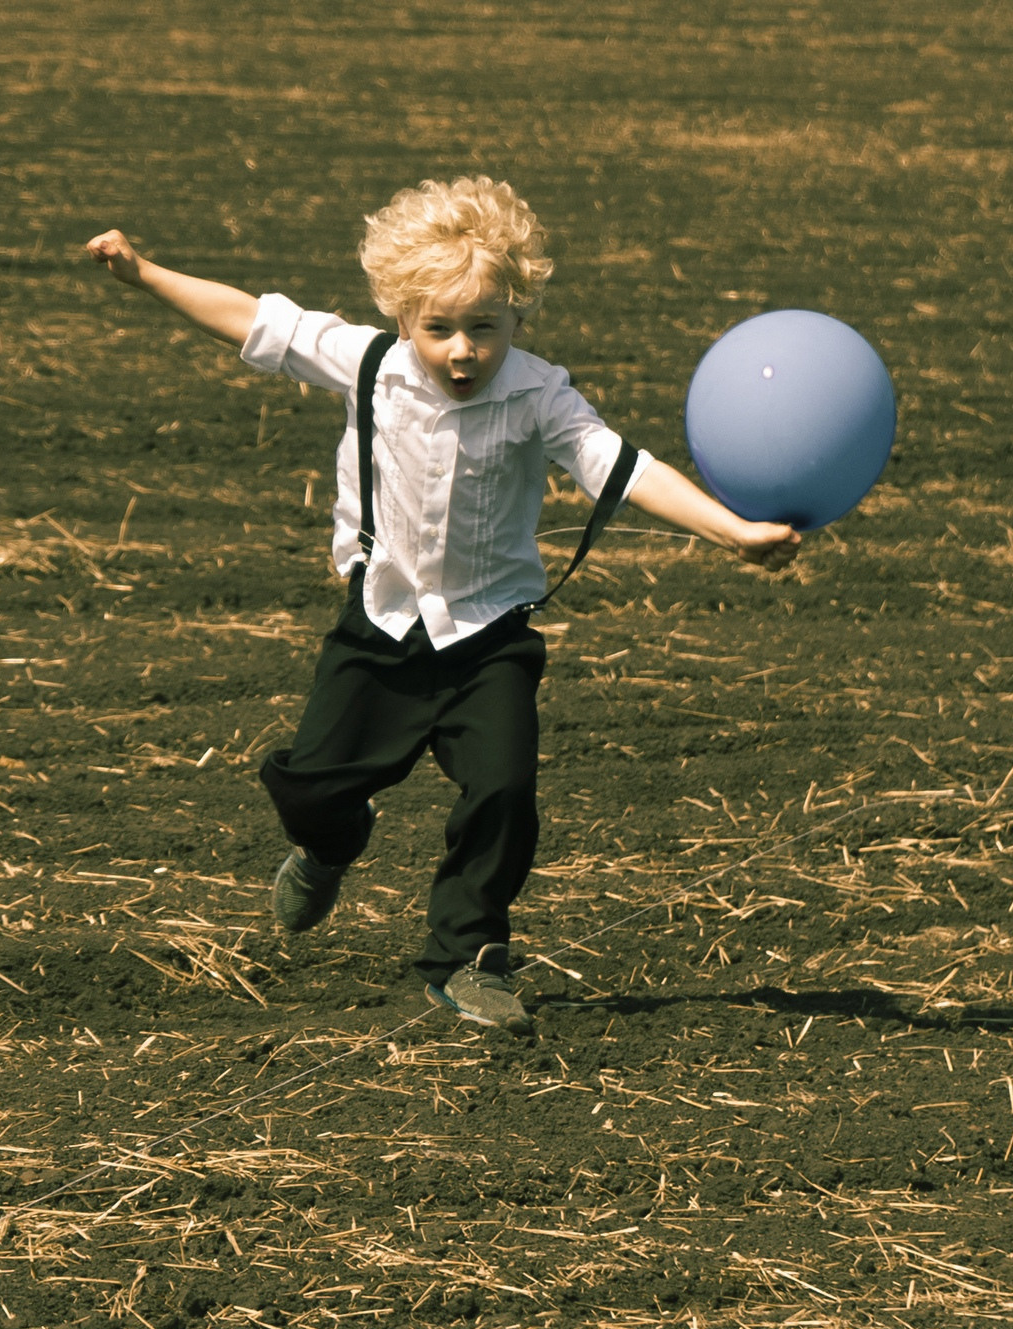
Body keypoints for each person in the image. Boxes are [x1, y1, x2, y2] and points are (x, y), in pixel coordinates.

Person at [85, 175, 799, 1036]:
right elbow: (247, 317)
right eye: (439, 330)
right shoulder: (366, 364)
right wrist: (145, 273)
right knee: (310, 788)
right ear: (400, 320)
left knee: (503, 793)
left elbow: (624, 468)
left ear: (517, 317)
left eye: (484, 328)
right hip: (379, 628)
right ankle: (330, 845)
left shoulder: (540, 395)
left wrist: (734, 534)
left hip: (489, 638)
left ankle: (469, 957)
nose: (462, 350)